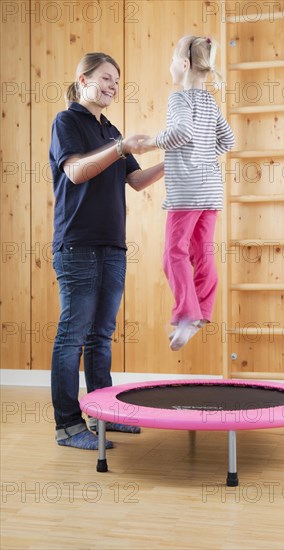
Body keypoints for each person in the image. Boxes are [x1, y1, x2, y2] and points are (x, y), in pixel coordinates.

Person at [49, 52, 164, 450]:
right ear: (83, 79)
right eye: (105, 78)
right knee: (73, 337)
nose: (112, 86)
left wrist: (173, 160)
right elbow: (76, 171)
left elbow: (136, 179)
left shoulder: (111, 130)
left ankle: (104, 415)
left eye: (117, 80)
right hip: (77, 246)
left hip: (112, 247)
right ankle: (68, 426)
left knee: (101, 336)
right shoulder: (67, 122)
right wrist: (119, 148)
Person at [140, 36, 234, 350]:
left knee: (173, 254)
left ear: (183, 64)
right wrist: (205, 156)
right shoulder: (210, 101)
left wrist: (152, 142)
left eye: (172, 59)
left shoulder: (179, 98)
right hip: (210, 193)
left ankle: (186, 314)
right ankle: (200, 312)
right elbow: (228, 141)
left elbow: (181, 133)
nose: (170, 65)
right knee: (202, 252)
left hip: (186, 192)